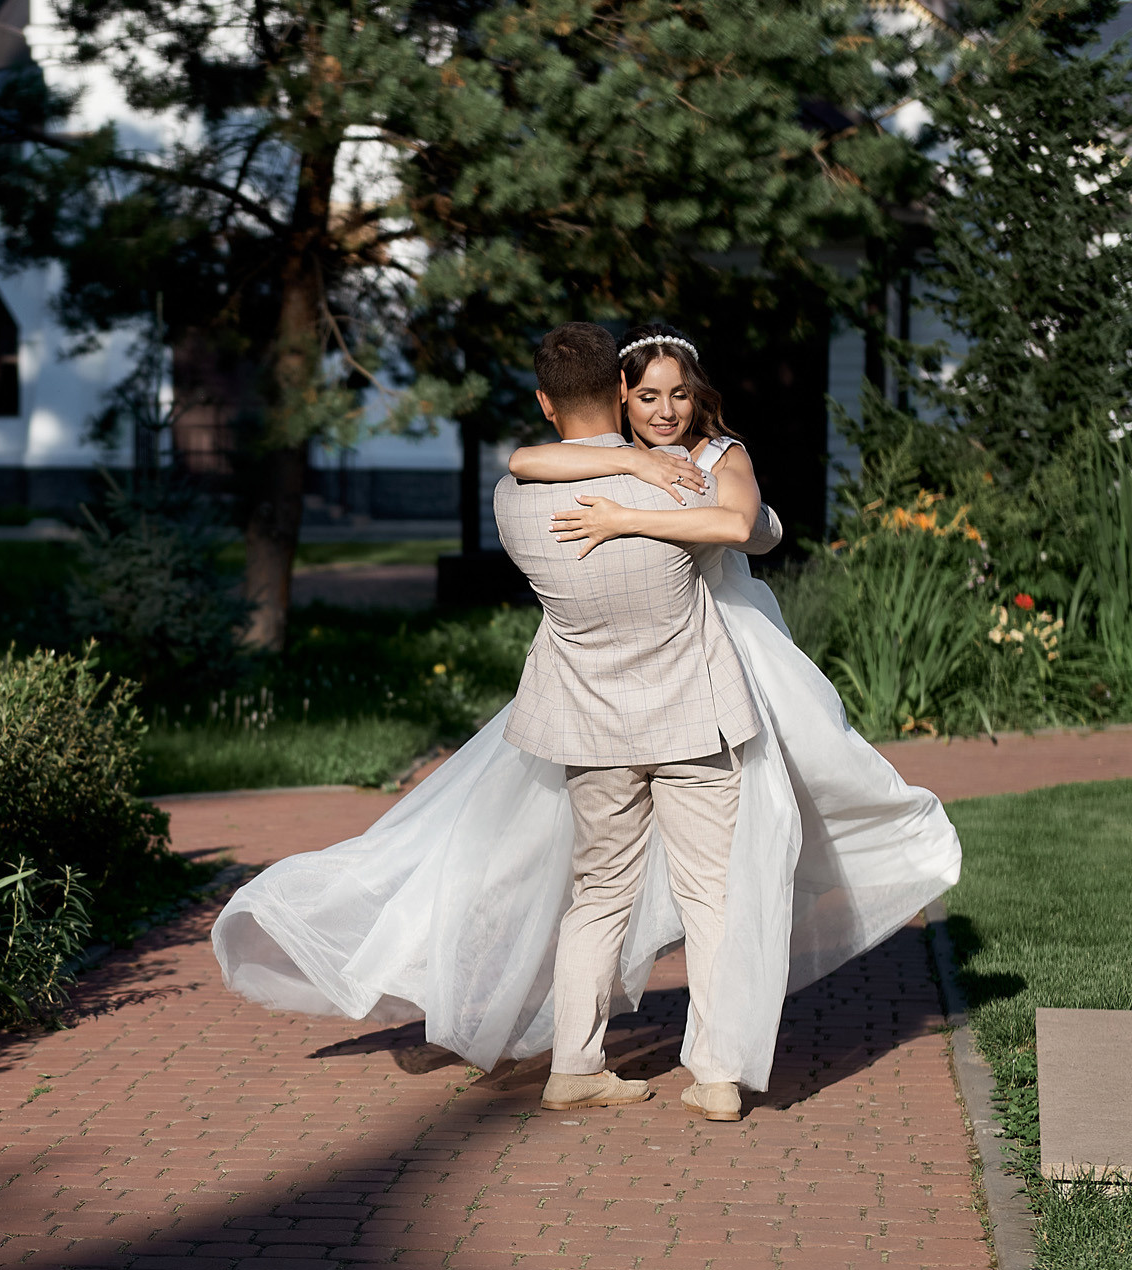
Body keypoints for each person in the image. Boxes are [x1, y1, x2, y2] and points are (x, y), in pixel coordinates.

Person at [210, 321, 960, 1120]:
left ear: (543, 400)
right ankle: (714, 1073)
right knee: (711, 894)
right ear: (619, 395)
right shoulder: (679, 484)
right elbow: (749, 527)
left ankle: (576, 1063)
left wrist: (644, 471)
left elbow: (536, 462)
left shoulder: (514, 500)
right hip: (690, 718)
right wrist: (654, 474)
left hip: (588, 722)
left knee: (596, 896)